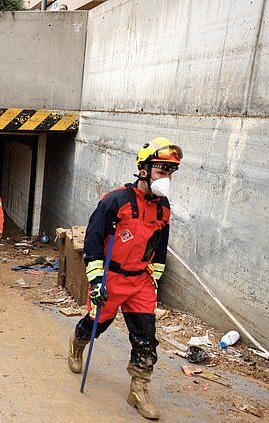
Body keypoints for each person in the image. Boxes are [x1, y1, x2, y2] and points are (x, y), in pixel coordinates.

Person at [67, 137, 183, 420]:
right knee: (98, 325)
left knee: (146, 338)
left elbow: (160, 245)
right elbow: (93, 240)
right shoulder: (115, 200)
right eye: (161, 170)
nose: (165, 177)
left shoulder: (164, 207)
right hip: (112, 278)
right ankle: (77, 342)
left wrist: (154, 278)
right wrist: (96, 282)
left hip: (141, 282)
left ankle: (138, 391)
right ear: (143, 169)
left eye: (170, 172)